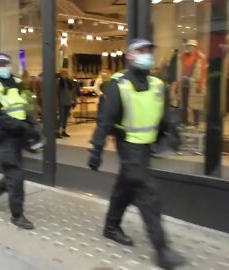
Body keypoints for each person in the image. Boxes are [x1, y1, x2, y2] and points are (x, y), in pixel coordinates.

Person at [88, 39, 186, 269]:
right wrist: (96, 150)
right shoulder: (118, 85)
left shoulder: (157, 85)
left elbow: (164, 116)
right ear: (130, 56)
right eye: (141, 51)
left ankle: (111, 227)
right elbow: (104, 122)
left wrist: (173, 133)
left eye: (150, 51)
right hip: (128, 146)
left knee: (125, 187)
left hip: (146, 148)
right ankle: (162, 249)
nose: (147, 55)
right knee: (147, 192)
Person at [0, 53, 40, 230]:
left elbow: (25, 105)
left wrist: (32, 124)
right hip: (4, 137)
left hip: (19, 136)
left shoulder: (17, 82)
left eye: (5, 63)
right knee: (16, 176)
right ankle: (17, 215)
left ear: (10, 65)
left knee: (12, 173)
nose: (2, 67)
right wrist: (23, 126)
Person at [57, 69, 78, 138]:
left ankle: (63, 130)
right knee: (61, 117)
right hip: (61, 103)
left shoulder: (70, 82)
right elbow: (56, 93)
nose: (65, 75)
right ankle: (58, 131)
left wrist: (74, 101)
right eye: (63, 73)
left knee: (66, 117)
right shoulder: (58, 82)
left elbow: (73, 92)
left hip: (68, 102)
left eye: (66, 73)